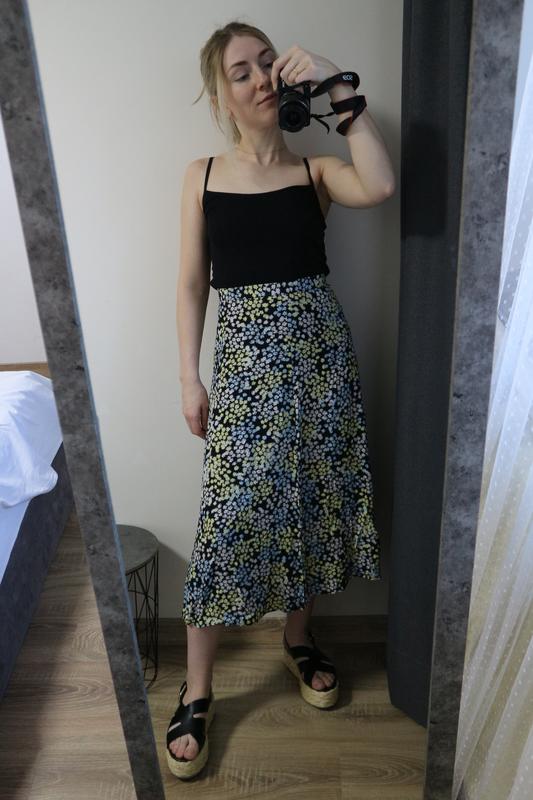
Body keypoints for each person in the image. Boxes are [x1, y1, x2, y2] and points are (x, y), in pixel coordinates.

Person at [168, 20, 395, 779]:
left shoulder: (316, 172)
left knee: (312, 500)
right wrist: (188, 377)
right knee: (228, 518)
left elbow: (380, 184)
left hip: (320, 366)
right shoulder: (201, 175)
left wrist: (336, 84)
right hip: (243, 374)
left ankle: (298, 639)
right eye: (241, 71)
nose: (261, 78)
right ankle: (198, 689)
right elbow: (190, 284)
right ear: (220, 97)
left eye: (268, 63)